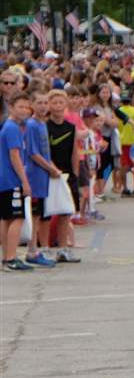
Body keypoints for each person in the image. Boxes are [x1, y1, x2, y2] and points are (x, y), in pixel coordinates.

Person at [24, 91, 61, 267]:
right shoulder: (31, 125)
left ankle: (35, 248)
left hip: (43, 176)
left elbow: (46, 153)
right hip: (34, 175)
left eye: (46, 103)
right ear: (32, 105)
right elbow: (33, 153)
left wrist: (53, 168)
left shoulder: (43, 124)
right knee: (34, 214)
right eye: (39, 103)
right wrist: (49, 168)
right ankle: (32, 250)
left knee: (39, 214)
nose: (43, 106)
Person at [45, 90, 80, 263]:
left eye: (61, 102)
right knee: (45, 214)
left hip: (66, 174)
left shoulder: (71, 127)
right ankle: (44, 249)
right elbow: (43, 152)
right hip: (49, 174)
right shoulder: (45, 127)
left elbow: (74, 152)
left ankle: (63, 249)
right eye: (54, 102)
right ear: (49, 105)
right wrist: (51, 169)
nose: (58, 106)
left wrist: (75, 173)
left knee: (66, 212)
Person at [1, 92, 33, 271]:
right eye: (20, 106)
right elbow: (15, 156)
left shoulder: (9, 126)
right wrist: (24, 181)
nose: (24, 110)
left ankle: (6, 256)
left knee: (6, 218)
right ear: (11, 107)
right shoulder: (12, 128)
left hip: (5, 179)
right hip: (11, 179)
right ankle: (11, 258)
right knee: (17, 217)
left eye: (26, 107)